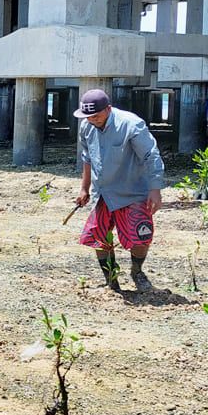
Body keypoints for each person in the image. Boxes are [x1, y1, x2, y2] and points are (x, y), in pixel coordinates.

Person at [73, 89, 165, 292]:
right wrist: (84, 188)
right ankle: (111, 280)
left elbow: (151, 156)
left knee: (141, 234)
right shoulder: (86, 127)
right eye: (87, 116)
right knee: (98, 235)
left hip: (131, 191)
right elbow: (87, 158)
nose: (91, 120)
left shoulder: (131, 124)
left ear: (108, 109)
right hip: (102, 193)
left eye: (96, 115)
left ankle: (137, 271)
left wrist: (155, 189)